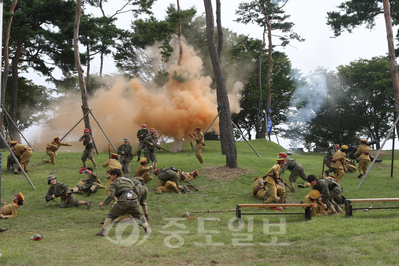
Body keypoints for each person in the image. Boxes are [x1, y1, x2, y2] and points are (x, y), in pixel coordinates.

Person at [95, 169, 151, 236]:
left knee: (111, 215)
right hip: (133, 199)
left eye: (111, 175)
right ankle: (147, 229)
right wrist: (134, 198)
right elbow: (136, 190)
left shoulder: (114, 183)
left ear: (115, 175)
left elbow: (111, 195)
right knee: (140, 215)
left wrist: (104, 203)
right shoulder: (128, 180)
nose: (110, 177)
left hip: (123, 201)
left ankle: (103, 231)